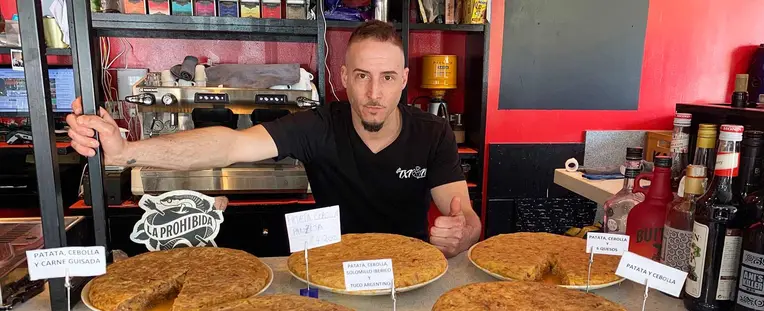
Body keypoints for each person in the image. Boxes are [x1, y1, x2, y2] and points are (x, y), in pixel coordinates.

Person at [67, 20, 481, 257]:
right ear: (343, 78)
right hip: (331, 270)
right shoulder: (319, 124)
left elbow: (469, 223)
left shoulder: (432, 131)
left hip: (411, 272)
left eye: (388, 77)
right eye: (362, 76)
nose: (375, 93)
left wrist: (462, 233)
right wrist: (127, 151)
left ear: (404, 80)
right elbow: (229, 144)